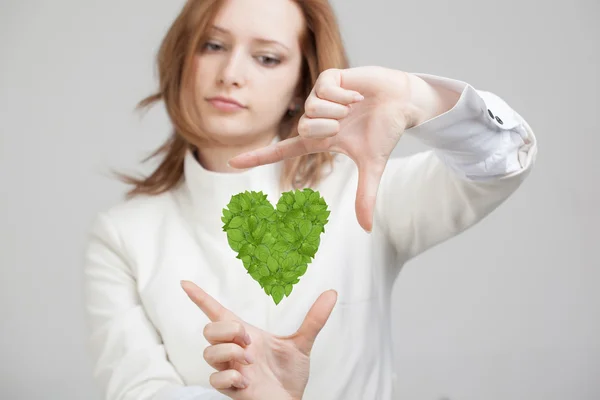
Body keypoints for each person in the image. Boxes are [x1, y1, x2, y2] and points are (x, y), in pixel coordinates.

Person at [82, 0, 538, 399]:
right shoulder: (124, 235)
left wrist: (418, 97)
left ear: (300, 85)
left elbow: (501, 161)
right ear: (182, 58)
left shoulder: (362, 191)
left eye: (266, 57)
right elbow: (139, 391)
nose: (231, 75)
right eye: (212, 45)